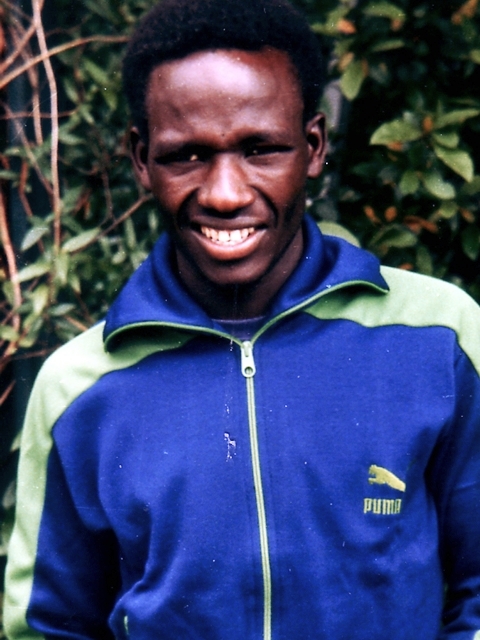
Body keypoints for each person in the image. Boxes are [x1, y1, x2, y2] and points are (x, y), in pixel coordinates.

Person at [4, 0, 480, 637]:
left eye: (261, 150)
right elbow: (50, 627)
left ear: (312, 147)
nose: (225, 194)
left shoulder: (439, 337)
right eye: (187, 156)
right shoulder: (78, 388)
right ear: (142, 159)